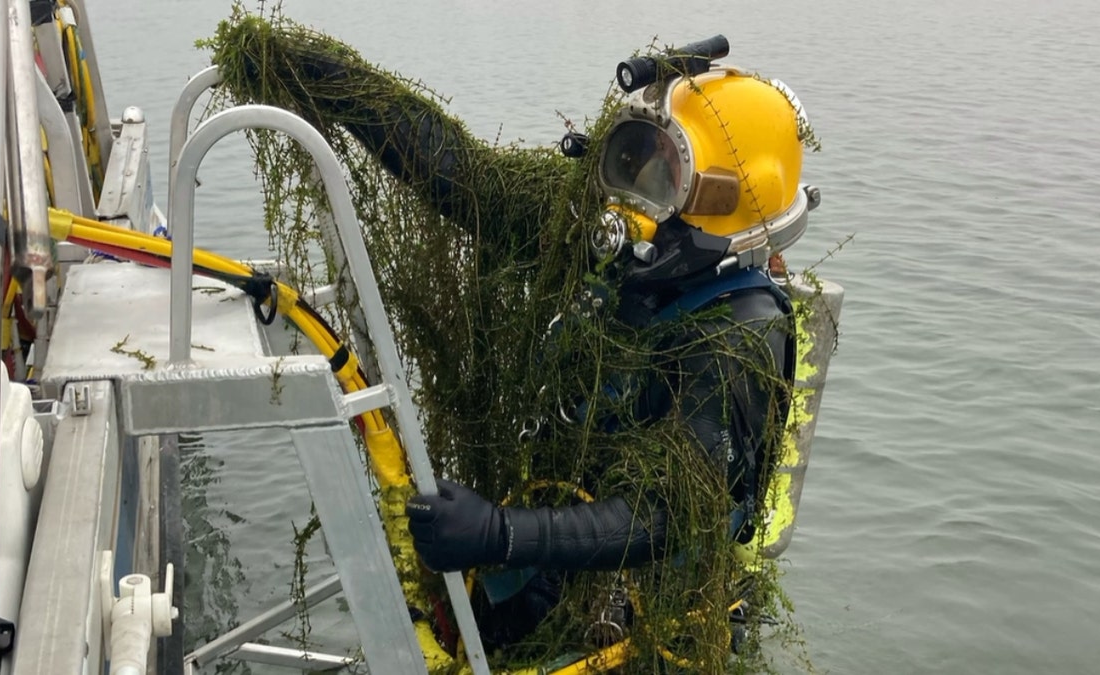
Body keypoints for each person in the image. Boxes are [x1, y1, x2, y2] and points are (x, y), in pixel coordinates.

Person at [215, 21, 813, 654]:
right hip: (548, 547)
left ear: (722, 200)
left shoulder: (743, 334)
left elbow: (666, 515)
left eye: (663, 178)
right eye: (631, 160)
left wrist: (499, 533)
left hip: (641, 618)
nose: (628, 199)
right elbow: (469, 179)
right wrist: (330, 81)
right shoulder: (610, 238)